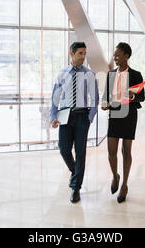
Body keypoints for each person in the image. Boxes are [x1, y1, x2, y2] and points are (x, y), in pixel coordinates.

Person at [49, 42, 99, 203]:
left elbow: (95, 98)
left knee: (81, 152)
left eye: (85, 53)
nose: (83, 57)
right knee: (63, 149)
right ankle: (75, 171)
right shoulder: (62, 74)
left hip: (82, 116)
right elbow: (55, 99)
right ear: (71, 54)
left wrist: (89, 118)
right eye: (80, 53)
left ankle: (76, 187)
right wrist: (53, 117)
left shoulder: (89, 74)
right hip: (65, 116)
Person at [101, 42, 145, 203]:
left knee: (126, 152)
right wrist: (104, 103)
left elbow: (142, 97)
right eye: (114, 56)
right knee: (111, 152)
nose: (115, 58)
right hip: (114, 116)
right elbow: (106, 95)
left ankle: (125, 185)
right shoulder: (110, 74)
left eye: (118, 55)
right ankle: (115, 176)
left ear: (126, 56)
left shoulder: (136, 75)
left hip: (129, 116)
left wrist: (132, 96)